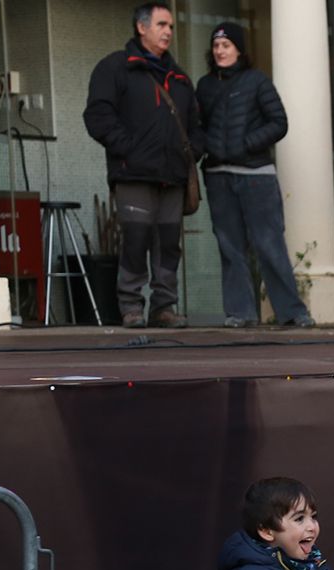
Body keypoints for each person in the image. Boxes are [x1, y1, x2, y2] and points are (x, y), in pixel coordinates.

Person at [84, 3, 200, 329]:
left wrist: (192, 152)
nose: (168, 32)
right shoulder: (114, 68)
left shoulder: (179, 78)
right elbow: (97, 117)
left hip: (172, 177)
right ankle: (131, 307)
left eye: (172, 27)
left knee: (168, 246)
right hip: (133, 174)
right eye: (162, 25)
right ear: (141, 27)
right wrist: (129, 150)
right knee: (135, 240)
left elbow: (196, 126)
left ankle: (163, 308)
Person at [194, 22, 315, 329]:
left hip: (256, 176)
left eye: (227, 45)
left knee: (269, 243)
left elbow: (279, 122)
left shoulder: (257, 81)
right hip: (219, 177)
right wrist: (207, 148)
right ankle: (241, 313)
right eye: (217, 46)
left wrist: (245, 145)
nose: (220, 51)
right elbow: (197, 127)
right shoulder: (205, 86)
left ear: (239, 49)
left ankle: (292, 312)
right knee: (230, 247)